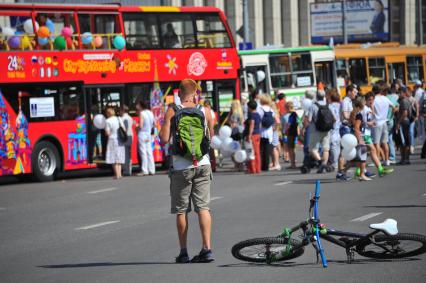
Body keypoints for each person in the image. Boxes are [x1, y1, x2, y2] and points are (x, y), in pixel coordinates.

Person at [159, 78, 215, 263]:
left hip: (181, 166)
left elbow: (164, 139)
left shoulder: (172, 111)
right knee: (203, 208)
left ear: (179, 93)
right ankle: (207, 249)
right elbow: (210, 137)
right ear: (196, 93)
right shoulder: (204, 111)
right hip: (203, 164)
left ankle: (183, 252)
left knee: (181, 211)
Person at [303, 90, 332, 173]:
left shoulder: (313, 106)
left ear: (316, 96)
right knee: (326, 149)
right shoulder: (328, 105)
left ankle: (321, 164)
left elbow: (308, 119)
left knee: (312, 149)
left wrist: (304, 128)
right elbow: (333, 118)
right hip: (326, 129)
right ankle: (324, 166)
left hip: (315, 130)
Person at [371, 82, 396, 167]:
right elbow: (394, 107)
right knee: (385, 142)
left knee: (376, 143)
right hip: (384, 121)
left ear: (374, 91)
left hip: (377, 122)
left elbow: (371, 110)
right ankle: (387, 160)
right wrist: (391, 115)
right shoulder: (385, 98)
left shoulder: (373, 99)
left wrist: (374, 114)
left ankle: (377, 160)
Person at [351, 97, 371, 181]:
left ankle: (359, 173)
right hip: (359, 135)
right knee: (363, 157)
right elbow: (356, 127)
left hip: (353, 135)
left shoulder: (353, 112)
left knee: (358, 157)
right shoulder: (359, 114)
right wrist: (360, 139)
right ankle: (362, 174)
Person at [104, 107, 125, 179]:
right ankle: (120, 174)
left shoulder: (108, 121)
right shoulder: (119, 119)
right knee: (119, 156)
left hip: (112, 140)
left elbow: (107, 133)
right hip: (120, 140)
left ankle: (116, 175)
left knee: (113, 157)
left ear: (108, 113)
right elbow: (124, 129)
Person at [136, 101, 155, 176]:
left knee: (143, 153)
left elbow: (140, 125)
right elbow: (154, 124)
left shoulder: (142, 113)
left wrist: (136, 127)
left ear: (141, 106)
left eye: (138, 104)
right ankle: (152, 169)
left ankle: (145, 170)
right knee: (149, 153)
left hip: (142, 134)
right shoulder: (150, 112)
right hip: (149, 134)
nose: (137, 106)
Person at [258, 94, 275, 171]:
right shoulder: (271, 109)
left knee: (260, 149)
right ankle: (266, 166)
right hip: (269, 132)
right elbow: (275, 120)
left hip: (261, 131)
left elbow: (258, 120)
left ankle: (261, 165)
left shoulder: (259, 109)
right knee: (267, 150)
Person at [244, 100, 261, 174]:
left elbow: (251, 125)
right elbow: (259, 125)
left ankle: (252, 169)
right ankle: (258, 168)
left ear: (250, 107)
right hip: (258, 134)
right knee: (257, 152)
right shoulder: (258, 114)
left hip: (253, 134)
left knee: (251, 152)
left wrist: (249, 135)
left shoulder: (251, 115)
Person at [396, 87, 412, 165]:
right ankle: (405, 159)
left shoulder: (404, 101)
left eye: (400, 92)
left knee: (403, 142)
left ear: (404, 92)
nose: (398, 94)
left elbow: (405, 113)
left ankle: (405, 159)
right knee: (405, 141)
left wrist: (398, 123)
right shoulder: (404, 100)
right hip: (406, 122)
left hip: (404, 122)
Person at [327, 88, 341, 170]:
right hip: (340, 127)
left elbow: (333, 118)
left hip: (333, 127)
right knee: (338, 145)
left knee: (333, 146)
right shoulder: (340, 105)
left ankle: (335, 163)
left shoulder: (330, 106)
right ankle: (337, 162)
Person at [387, 83, 399, 164]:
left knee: (385, 140)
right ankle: (392, 156)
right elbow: (397, 107)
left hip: (385, 120)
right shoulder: (394, 98)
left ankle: (388, 157)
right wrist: (392, 113)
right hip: (391, 120)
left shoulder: (386, 97)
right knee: (390, 139)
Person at [284, 101, 298, 169]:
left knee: (290, 149)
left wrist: (286, 131)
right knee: (292, 149)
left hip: (291, 133)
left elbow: (289, 124)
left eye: (285, 109)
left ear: (288, 108)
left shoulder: (291, 115)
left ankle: (293, 164)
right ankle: (293, 163)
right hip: (294, 133)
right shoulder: (296, 114)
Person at [121, 105, 134, 176]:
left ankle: (126, 170)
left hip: (125, 136)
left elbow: (124, 128)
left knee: (125, 154)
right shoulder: (130, 117)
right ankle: (129, 169)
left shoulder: (123, 118)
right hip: (130, 136)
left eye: (120, 110)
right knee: (128, 153)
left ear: (123, 110)